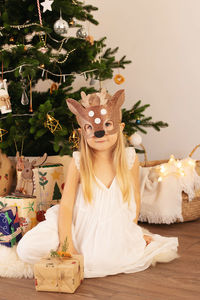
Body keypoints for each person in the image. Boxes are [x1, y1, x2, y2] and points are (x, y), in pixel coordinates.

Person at [17, 89, 178, 278]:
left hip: (111, 224)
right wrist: (66, 241)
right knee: (26, 249)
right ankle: (61, 244)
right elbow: (67, 205)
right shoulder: (79, 162)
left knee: (103, 259)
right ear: (82, 132)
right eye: (90, 128)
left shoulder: (129, 159)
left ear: (120, 127)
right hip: (76, 224)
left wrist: (131, 230)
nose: (99, 133)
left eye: (107, 124)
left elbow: (133, 199)